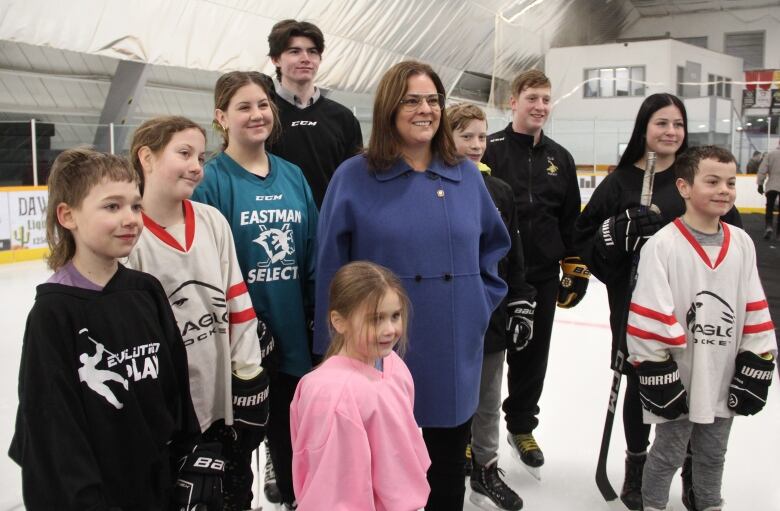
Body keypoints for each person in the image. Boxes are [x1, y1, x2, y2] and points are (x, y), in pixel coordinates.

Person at [314, 60, 510, 510]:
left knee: (444, 469)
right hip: (375, 347)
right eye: (412, 100)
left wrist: (478, 305)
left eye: (433, 100)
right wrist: (334, 347)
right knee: (377, 468)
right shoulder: (354, 176)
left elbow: (494, 248)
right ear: (388, 107)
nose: (425, 109)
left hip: (451, 342)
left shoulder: (464, 175)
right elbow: (330, 266)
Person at [8, 148, 216, 510]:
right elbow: (52, 431)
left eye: (135, 206)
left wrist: (190, 456)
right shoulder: (54, 314)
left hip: (157, 489)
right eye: (112, 206)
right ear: (67, 216)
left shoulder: (146, 291)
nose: (131, 218)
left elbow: (175, 390)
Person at [574, 93, 742, 510]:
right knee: (643, 382)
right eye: (661, 123)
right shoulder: (620, 182)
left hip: (696, 305)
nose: (671, 132)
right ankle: (637, 464)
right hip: (637, 306)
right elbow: (587, 237)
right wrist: (615, 234)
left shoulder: (698, 175)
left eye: (678, 124)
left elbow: (731, 236)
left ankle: (690, 468)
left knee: (695, 383)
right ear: (644, 128)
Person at [126, 116, 271, 510]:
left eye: (201, 157)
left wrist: (248, 374)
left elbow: (238, 303)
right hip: (169, 416)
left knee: (235, 496)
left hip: (222, 405)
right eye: (184, 153)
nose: (196, 165)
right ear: (147, 157)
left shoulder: (211, 222)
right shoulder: (130, 237)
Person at [192, 71, 318, 510]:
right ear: (221, 117)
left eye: (263, 104)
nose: (257, 114)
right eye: (243, 106)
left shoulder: (293, 176)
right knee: (238, 459)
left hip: (292, 340)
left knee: (293, 451)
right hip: (239, 349)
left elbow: (313, 254)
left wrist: (315, 314)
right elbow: (203, 268)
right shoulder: (210, 181)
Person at [626, 145, 776, 511]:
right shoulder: (662, 245)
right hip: (680, 375)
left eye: (729, 182)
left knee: (713, 455)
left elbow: (754, 304)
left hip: (723, 374)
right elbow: (649, 311)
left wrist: (757, 357)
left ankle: (710, 505)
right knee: (666, 454)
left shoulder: (741, 242)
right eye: (712, 181)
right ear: (684, 187)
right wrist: (656, 368)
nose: (724, 189)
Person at [482, 69, 589, 476]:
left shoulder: (560, 158)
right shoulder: (489, 149)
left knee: (531, 355)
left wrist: (574, 266)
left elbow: (570, 219)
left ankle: (522, 427)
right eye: (532, 98)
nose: (540, 107)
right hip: (494, 275)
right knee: (488, 357)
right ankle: (477, 436)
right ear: (513, 101)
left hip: (541, 275)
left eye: (546, 99)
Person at [448, 102, 534, 511]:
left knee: (486, 398)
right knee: (447, 398)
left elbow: (513, 254)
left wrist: (520, 302)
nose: (477, 144)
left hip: (491, 316)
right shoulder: (435, 184)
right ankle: (444, 466)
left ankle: (486, 469)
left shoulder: (499, 191)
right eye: (466, 136)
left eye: (482, 136)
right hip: (447, 316)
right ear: (446, 138)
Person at [290, 261, 431, 510]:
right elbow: (333, 493)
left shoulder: (392, 363)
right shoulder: (331, 397)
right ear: (339, 321)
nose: (390, 329)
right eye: (376, 319)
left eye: (395, 316)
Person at [265, 19, 363, 208]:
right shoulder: (264, 115)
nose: (306, 58)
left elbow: (355, 179)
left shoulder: (343, 118)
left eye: (313, 52)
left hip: (330, 223)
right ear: (275, 59)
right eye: (294, 51)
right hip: (278, 223)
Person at [757, 141, 780, 239]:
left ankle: (769, 226)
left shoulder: (771, 154)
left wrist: (760, 184)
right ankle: (779, 233)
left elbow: (762, 170)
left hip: (772, 185)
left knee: (769, 207)